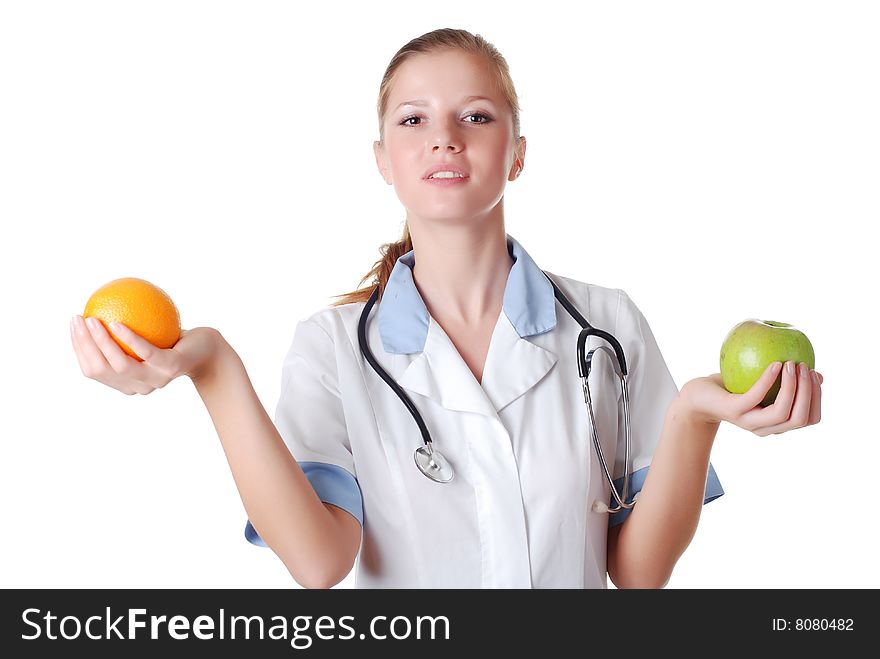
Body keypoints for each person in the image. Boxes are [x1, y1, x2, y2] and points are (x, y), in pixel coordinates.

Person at [71, 28, 824, 589]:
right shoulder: (333, 347)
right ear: (383, 162)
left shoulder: (607, 326)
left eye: (476, 117)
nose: (444, 140)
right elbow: (318, 561)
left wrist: (694, 415)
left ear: (517, 154)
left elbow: (639, 571)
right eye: (413, 121)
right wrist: (213, 367)